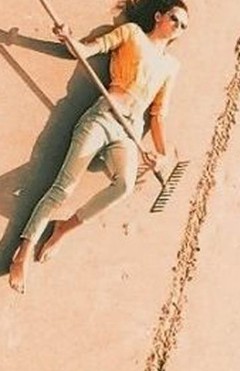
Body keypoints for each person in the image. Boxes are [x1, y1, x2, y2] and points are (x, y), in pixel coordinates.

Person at [8, 0, 190, 294]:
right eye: (174, 18)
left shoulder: (171, 66)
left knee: (125, 186)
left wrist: (163, 154)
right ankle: (24, 252)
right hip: (102, 117)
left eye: (183, 26)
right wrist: (69, 38)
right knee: (63, 189)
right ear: (159, 16)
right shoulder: (131, 34)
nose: (177, 28)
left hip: (128, 133)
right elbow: (87, 50)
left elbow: (158, 114)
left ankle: (62, 229)